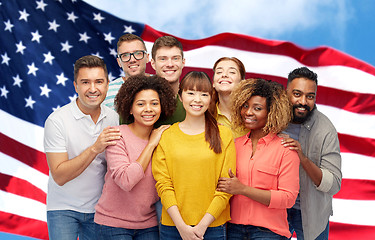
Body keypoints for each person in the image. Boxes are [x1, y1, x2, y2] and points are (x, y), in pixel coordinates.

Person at [43, 55, 121, 240]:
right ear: (76, 86)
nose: (93, 89)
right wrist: (95, 148)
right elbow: (59, 176)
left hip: (100, 209)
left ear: (107, 85)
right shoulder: (57, 121)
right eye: (85, 82)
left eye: (99, 82)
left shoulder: (114, 118)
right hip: (63, 209)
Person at [152, 71, 236, 240]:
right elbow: (163, 184)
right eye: (190, 93)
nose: (197, 100)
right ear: (180, 96)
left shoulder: (224, 135)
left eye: (204, 94)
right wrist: (181, 227)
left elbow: (226, 187)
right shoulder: (166, 136)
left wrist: (202, 226)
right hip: (173, 227)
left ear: (211, 98)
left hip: (212, 227)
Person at [94, 75, 176, 239]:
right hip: (113, 224)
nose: (148, 109)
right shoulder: (117, 135)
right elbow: (126, 181)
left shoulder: (165, 138)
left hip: (149, 225)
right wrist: (151, 145)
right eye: (140, 104)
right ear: (130, 108)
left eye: (154, 103)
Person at [217, 78, 300, 239]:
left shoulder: (286, 149)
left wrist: (242, 189)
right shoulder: (234, 145)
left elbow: (288, 198)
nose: (248, 112)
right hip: (233, 230)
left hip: (269, 232)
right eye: (245, 106)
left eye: (257, 108)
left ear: (271, 112)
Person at [281, 67, 342, 240]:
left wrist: (302, 157)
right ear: (286, 93)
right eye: (297, 94)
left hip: (311, 212)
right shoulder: (272, 119)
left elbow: (334, 184)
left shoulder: (325, 129)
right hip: (276, 209)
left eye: (310, 96)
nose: (303, 101)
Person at [103, 33, 150, 110]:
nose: (132, 60)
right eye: (125, 55)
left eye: (138, 53)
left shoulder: (163, 86)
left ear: (147, 57)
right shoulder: (106, 92)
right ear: (119, 62)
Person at [151, 35, 186, 126]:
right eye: (163, 59)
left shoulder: (193, 99)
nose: (170, 64)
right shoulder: (139, 98)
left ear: (183, 62)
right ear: (153, 64)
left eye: (175, 58)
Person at [211, 57, 248, 138]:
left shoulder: (252, 114)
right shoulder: (206, 115)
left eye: (232, 72)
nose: (224, 75)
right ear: (213, 83)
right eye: (219, 72)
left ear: (242, 82)